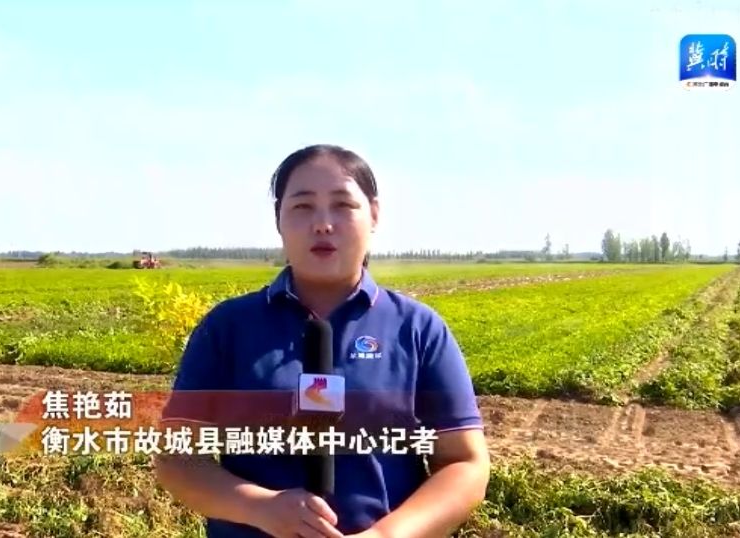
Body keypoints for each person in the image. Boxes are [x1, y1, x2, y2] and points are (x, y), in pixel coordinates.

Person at [155, 144, 490, 537]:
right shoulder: (227, 328)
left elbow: (464, 464)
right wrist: (261, 507)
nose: (323, 224)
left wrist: (385, 535)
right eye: (302, 206)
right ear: (278, 219)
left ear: (374, 214)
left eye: (342, 205)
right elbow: (177, 459)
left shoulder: (417, 329)